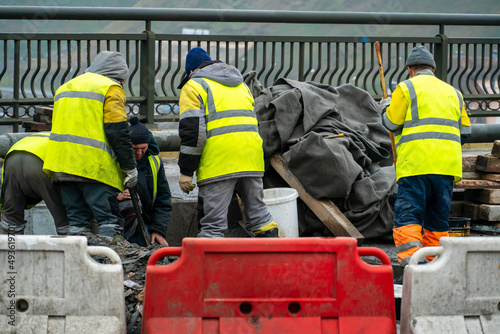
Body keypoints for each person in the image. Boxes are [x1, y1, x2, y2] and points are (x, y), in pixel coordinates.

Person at [381, 45, 471, 267]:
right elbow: (466, 133)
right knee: (438, 221)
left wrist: (385, 108)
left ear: (410, 69)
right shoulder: (454, 92)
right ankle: (435, 265)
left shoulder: (406, 88)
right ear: (433, 69)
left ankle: (414, 267)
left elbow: (391, 123)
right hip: (446, 168)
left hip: (415, 166)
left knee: (408, 218)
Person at [177, 47, 278, 238]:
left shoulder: (194, 86)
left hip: (219, 163)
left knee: (212, 226)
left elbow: (193, 134)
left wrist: (186, 171)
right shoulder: (241, 85)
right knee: (260, 218)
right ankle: (271, 261)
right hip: (251, 159)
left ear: (191, 71)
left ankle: (208, 267)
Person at [43, 51, 137, 241]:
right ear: (118, 76)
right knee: (109, 222)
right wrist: (129, 167)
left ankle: (76, 265)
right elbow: (117, 130)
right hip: (93, 168)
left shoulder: (66, 87)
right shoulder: (110, 88)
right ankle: (104, 266)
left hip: (61, 167)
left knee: (77, 224)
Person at [117, 116, 171, 246]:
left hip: (146, 219)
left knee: (157, 248)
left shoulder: (154, 162)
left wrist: (158, 230)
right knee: (129, 204)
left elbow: (163, 200)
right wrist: (117, 196)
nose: (139, 153)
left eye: (143, 148)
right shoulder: (116, 161)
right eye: (135, 149)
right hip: (122, 217)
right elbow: (100, 192)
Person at [0, 132, 68, 235]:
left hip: (13, 157)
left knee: (11, 222)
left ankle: (10, 249)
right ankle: (71, 249)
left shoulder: (49, 134)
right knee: (64, 220)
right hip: (40, 162)